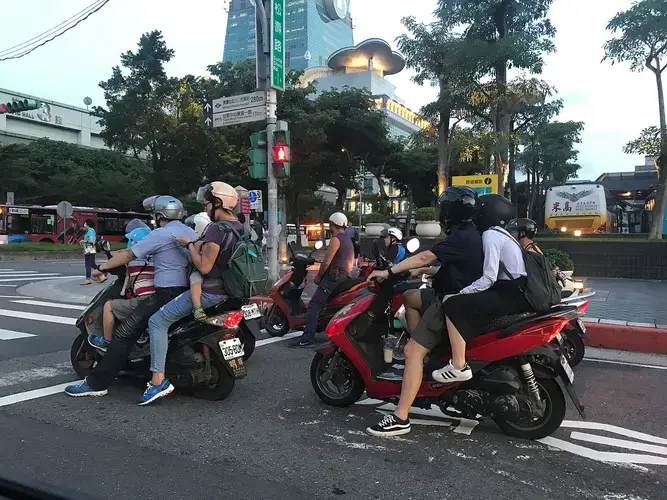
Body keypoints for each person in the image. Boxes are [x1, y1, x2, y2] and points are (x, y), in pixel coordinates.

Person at [365, 186, 484, 436]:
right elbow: (457, 268)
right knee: (410, 297)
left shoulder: (461, 238)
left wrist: (389, 272)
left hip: (450, 303)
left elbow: (423, 256)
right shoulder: (471, 235)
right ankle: (425, 354)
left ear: (451, 212)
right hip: (450, 294)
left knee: (410, 351)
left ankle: (400, 416)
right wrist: (424, 272)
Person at [65, 196, 195, 399]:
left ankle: (96, 383)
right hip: (186, 291)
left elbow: (128, 255)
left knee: (123, 335)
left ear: (159, 215)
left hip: (165, 293)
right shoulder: (189, 231)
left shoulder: (160, 233)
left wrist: (101, 268)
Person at [140, 181, 243, 405]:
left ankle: (158, 382)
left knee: (157, 321)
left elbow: (204, 267)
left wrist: (188, 247)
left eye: (207, 204)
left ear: (218, 203)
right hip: (231, 292)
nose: (205, 209)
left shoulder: (217, 229)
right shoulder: (240, 227)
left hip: (210, 292)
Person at [430, 194, 534, 385]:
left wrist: (461, 294)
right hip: (516, 291)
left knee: (453, 304)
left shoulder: (490, 235)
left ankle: (458, 365)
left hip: (510, 294)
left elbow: (489, 277)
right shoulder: (504, 234)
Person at [288, 212, 355, 348]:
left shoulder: (336, 239)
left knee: (314, 305)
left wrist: (318, 277)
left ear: (332, 225)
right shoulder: (347, 239)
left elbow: (326, 262)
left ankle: (307, 338)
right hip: (344, 276)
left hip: (334, 278)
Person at [88, 220, 154, 350]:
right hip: (158, 297)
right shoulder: (156, 258)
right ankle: (140, 333)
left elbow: (118, 258)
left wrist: (101, 266)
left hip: (143, 301)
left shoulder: (131, 261)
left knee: (109, 306)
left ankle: (106, 342)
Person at [188, 212, 213, 322]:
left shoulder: (199, 243)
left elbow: (195, 260)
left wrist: (189, 245)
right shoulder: (213, 238)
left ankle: (197, 307)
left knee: (194, 278)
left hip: (202, 269)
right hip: (215, 271)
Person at [80, 219, 101, 286]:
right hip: (90, 248)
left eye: (85, 223)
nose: (84, 224)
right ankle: (101, 271)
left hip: (90, 248)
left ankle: (87, 279)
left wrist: (84, 241)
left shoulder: (90, 231)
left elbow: (91, 241)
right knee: (92, 264)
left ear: (87, 224)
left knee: (88, 265)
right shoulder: (91, 231)